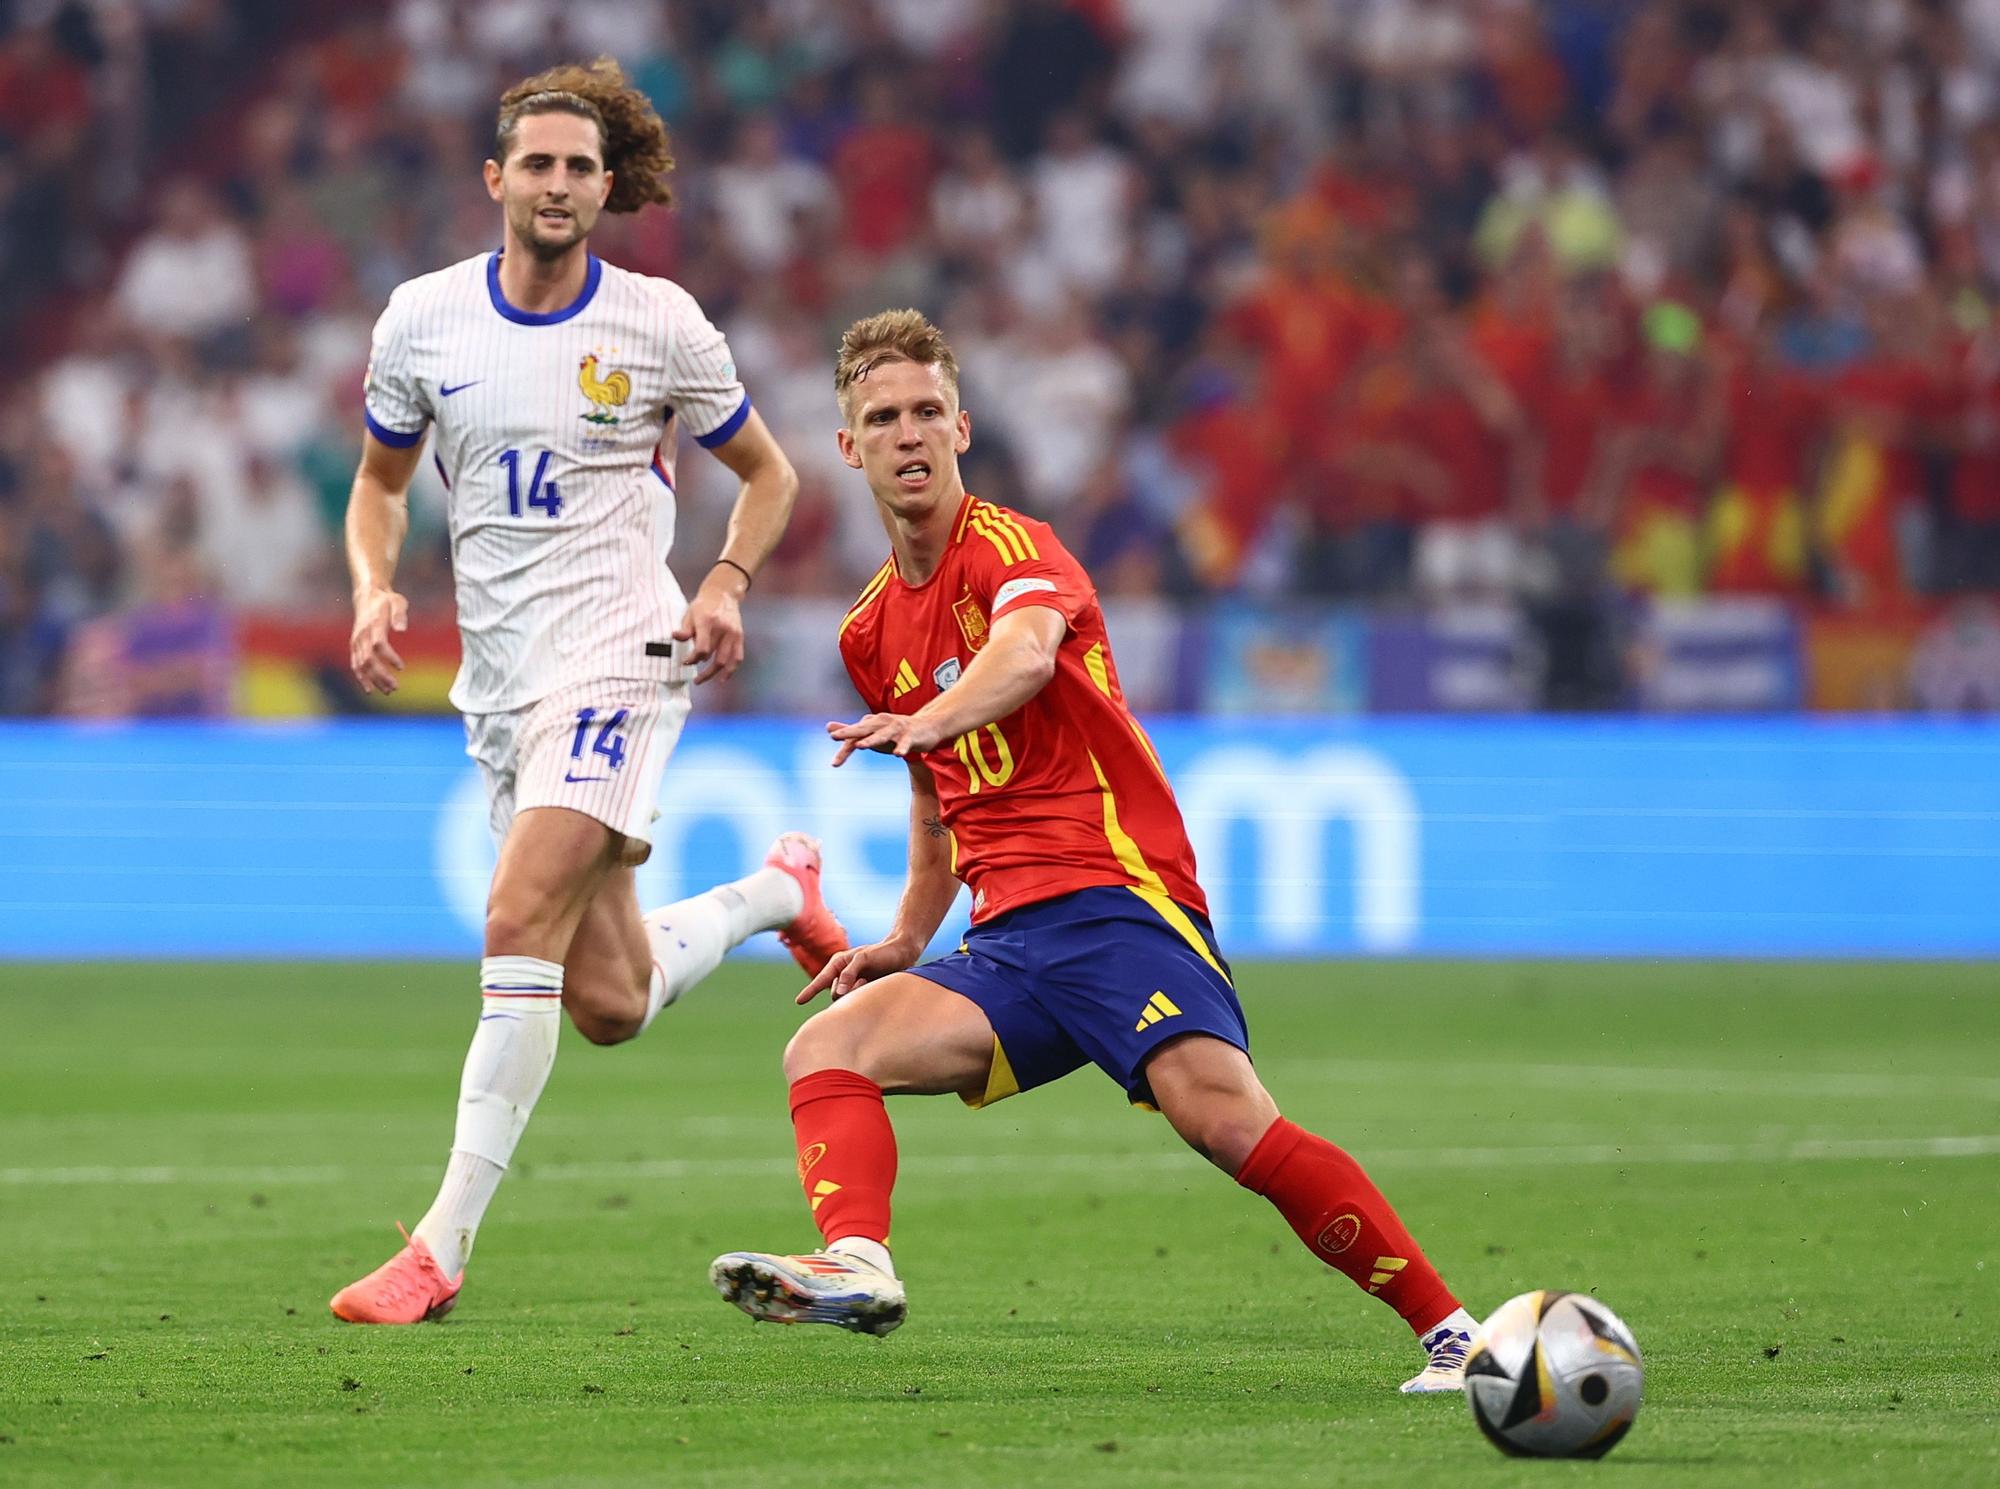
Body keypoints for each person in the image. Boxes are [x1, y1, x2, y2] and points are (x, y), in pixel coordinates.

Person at [707, 310, 1478, 1393]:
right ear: (849, 448)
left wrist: (931, 717)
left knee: (1221, 1118)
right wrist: (904, 936)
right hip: (1007, 943)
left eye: (928, 411)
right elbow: (938, 807)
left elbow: (1023, 657)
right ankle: (858, 1262)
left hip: (1114, 900)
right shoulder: (867, 630)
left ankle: (1454, 1334)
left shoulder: (1014, 550)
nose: (909, 434)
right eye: (882, 419)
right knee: (825, 1051)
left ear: (962, 426)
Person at [329, 59, 847, 1325]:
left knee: (514, 917)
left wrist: (721, 584)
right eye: (538, 165)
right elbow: (382, 487)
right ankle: (780, 891)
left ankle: (440, 1246)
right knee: (608, 1002)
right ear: (496, 180)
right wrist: (370, 587)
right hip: (500, 686)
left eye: (580, 169)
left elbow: (771, 477)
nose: (558, 186)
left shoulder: (660, 323)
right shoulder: (422, 323)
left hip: (624, 653)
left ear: (607, 189)